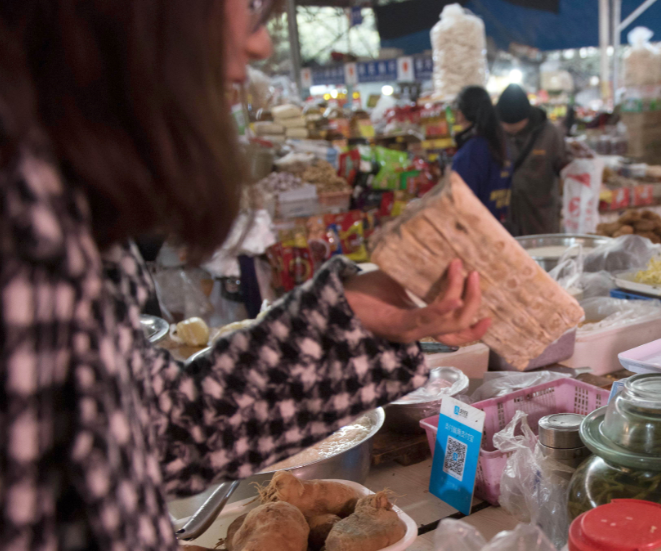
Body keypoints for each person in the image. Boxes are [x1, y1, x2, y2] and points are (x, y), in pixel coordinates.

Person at [0, 1, 490, 549]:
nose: (260, 45)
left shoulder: (60, 207)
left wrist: (350, 317)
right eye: (250, 7)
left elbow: (165, 430)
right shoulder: (23, 232)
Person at [495, 84, 570, 236]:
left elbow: (565, 169)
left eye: (515, 125)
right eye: (506, 125)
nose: (510, 129)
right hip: (504, 220)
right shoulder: (494, 133)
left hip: (541, 218)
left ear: (527, 117)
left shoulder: (550, 134)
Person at [451, 86, 512, 225]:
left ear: (460, 114)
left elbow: (461, 205)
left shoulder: (470, 152)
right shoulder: (500, 145)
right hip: (497, 228)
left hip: (475, 231)